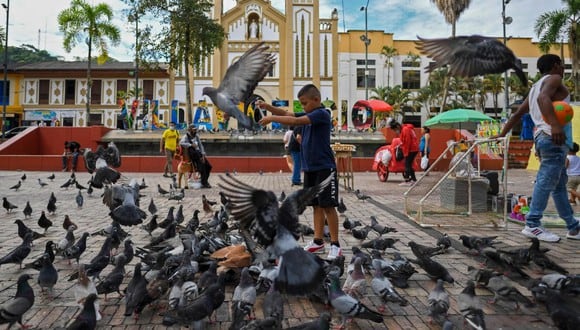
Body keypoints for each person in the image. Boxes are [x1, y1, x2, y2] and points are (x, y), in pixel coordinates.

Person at [498, 54, 579, 242]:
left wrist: (503, 133)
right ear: (556, 65)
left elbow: (519, 112)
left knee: (558, 186)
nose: (564, 68)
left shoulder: (535, 86)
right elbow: (544, 98)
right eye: (562, 65)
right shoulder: (554, 78)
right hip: (552, 138)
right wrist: (556, 125)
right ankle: (532, 224)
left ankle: (573, 227)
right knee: (545, 180)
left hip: (544, 138)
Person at [257, 84, 342, 260]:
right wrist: (268, 107)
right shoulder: (309, 114)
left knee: (328, 205)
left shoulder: (322, 114)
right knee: (316, 205)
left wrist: (271, 117)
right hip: (310, 167)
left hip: (324, 167)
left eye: (304, 103)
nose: (302, 107)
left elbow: (294, 121)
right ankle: (318, 241)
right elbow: (289, 114)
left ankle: (335, 244)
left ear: (316, 100)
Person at [389, 119, 419, 186]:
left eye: (395, 130)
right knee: (409, 164)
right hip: (414, 148)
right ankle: (414, 180)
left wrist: (405, 152)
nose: (395, 132)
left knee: (407, 164)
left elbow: (407, 142)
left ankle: (407, 180)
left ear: (397, 127)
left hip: (411, 149)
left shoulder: (405, 130)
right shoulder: (407, 128)